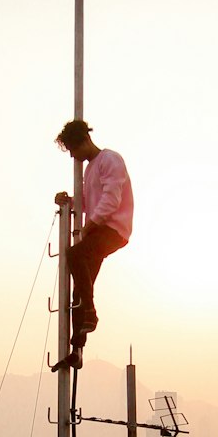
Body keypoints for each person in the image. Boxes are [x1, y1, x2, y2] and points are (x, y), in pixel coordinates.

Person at [55, 119, 133, 354]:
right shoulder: (90, 170)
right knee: (81, 285)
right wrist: (68, 202)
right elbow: (89, 203)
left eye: (73, 149)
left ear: (85, 141)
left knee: (75, 254)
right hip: (99, 230)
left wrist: (90, 225)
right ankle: (76, 349)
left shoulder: (109, 159)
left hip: (113, 229)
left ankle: (90, 313)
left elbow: (112, 199)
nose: (72, 156)